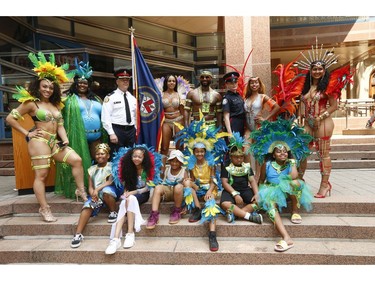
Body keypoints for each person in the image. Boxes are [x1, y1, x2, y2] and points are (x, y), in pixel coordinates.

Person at [5, 52, 87, 222]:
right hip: (39, 141)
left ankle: (81, 191)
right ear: (38, 86)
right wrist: (27, 133)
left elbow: (61, 126)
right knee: (41, 175)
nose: (48, 89)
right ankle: (44, 208)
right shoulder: (30, 103)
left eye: (51, 87)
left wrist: (65, 139)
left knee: (76, 160)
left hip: (54, 141)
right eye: (44, 86)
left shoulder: (56, 104)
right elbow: (10, 119)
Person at [295, 44, 353, 198]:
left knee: (323, 154)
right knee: (301, 154)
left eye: (320, 69)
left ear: (324, 70)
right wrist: (300, 119)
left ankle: (324, 185)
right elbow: (302, 104)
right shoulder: (306, 87)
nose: (317, 71)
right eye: (314, 69)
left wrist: (320, 117)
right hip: (307, 124)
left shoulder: (329, 85)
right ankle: (299, 181)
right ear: (310, 71)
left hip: (323, 123)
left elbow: (334, 106)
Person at [250, 118, 313, 252]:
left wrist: (292, 162)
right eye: (278, 151)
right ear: (273, 154)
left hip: (286, 190)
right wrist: (259, 194)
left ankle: (295, 211)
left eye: (285, 151)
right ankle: (286, 237)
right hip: (271, 190)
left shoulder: (290, 163)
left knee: (296, 183)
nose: (282, 153)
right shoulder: (266, 165)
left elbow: (295, 176)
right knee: (271, 207)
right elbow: (261, 181)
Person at [176, 116, 229, 252]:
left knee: (211, 206)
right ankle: (198, 209)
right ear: (193, 152)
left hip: (210, 188)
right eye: (197, 151)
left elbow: (214, 181)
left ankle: (212, 235)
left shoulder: (210, 163)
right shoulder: (191, 163)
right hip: (198, 187)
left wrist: (210, 191)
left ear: (205, 152)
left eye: (202, 151)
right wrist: (187, 181)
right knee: (187, 184)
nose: (199, 153)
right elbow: (189, 180)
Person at [55, 59, 106, 199]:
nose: (83, 85)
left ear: (89, 85)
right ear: (75, 84)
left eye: (85, 83)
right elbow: (58, 118)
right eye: (80, 83)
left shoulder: (96, 99)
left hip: (96, 137)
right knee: (82, 163)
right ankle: (81, 188)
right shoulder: (68, 100)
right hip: (79, 138)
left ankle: (98, 187)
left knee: (99, 162)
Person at [104, 144, 162, 255]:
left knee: (129, 199)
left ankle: (127, 234)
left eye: (139, 157)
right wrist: (126, 192)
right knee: (124, 202)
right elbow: (127, 185)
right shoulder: (128, 168)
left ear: (144, 158)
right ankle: (117, 238)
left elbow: (147, 188)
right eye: (134, 156)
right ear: (131, 157)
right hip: (130, 195)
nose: (136, 159)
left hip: (142, 194)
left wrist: (132, 193)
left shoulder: (147, 169)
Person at [70, 143, 123, 248]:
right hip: (96, 194)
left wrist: (97, 190)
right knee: (87, 206)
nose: (100, 156)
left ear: (108, 156)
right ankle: (78, 234)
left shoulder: (112, 166)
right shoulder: (92, 169)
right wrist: (92, 193)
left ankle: (113, 212)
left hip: (109, 190)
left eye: (102, 154)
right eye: (97, 154)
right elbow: (90, 185)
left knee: (106, 191)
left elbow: (109, 182)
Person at [220, 132, 263, 224]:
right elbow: (224, 183)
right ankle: (248, 216)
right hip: (230, 190)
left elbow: (252, 180)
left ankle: (235, 214)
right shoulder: (226, 166)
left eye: (241, 157)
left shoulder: (247, 166)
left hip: (245, 189)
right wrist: (235, 194)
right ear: (231, 157)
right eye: (236, 157)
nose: (239, 159)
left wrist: (256, 193)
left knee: (259, 202)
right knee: (225, 204)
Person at [243, 76, 280, 177]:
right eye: (252, 83)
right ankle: (250, 176)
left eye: (256, 83)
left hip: (259, 128)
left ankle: (258, 178)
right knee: (246, 152)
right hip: (248, 130)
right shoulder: (246, 98)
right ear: (249, 85)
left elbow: (276, 107)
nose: (254, 85)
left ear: (259, 85)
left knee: (258, 155)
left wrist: (266, 119)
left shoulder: (262, 96)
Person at [146, 149, 187, 229]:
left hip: (179, 194)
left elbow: (187, 187)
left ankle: (177, 211)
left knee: (178, 186)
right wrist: (162, 166)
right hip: (168, 191)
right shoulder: (167, 169)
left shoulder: (184, 171)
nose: (174, 163)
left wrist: (186, 204)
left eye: (177, 161)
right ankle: (154, 214)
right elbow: (161, 180)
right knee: (157, 187)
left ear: (181, 162)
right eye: (172, 161)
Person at [101, 68, 136, 160]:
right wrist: (111, 133)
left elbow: (135, 116)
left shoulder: (132, 98)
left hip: (131, 131)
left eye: (127, 80)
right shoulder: (110, 97)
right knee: (116, 157)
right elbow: (105, 117)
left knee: (131, 156)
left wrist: (135, 128)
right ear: (117, 81)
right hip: (117, 130)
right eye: (122, 80)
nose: (125, 82)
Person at [156, 75, 189, 169]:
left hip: (178, 120)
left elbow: (183, 109)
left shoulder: (180, 94)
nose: (171, 83)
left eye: (173, 81)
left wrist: (185, 124)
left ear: (176, 83)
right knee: (164, 148)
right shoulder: (161, 94)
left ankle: (181, 171)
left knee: (180, 147)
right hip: (166, 122)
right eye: (169, 81)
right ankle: (161, 172)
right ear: (166, 82)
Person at [222, 71, 246, 137]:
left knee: (240, 146)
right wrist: (229, 133)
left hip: (241, 123)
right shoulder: (226, 98)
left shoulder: (238, 96)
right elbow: (226, 117)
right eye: (231, 83)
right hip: (233, 123)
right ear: (226, 84)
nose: (234, 84)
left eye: (235, 82)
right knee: (234, 146)